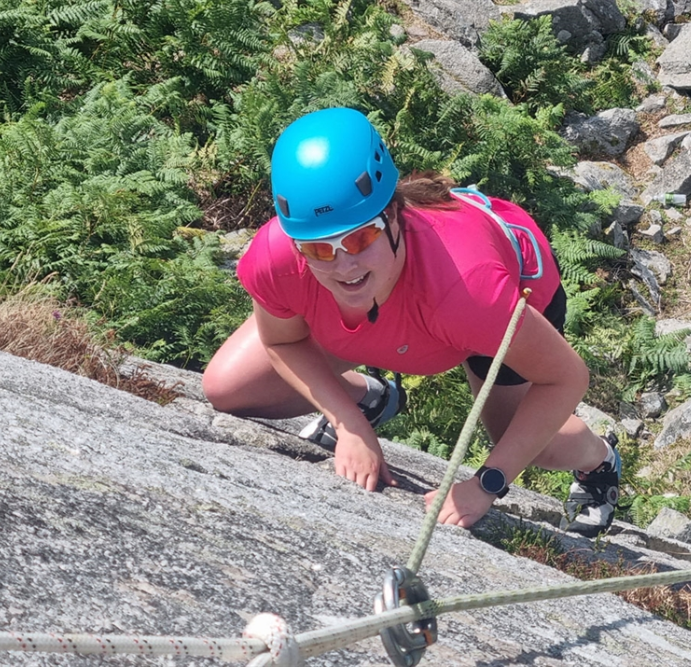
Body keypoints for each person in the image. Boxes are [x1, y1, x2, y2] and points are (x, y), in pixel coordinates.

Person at [202, 107, 620, 536]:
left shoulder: (471, 292)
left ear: (395, 216)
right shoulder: (278, 258)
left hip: (499, 292)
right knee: (228, 388)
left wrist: (487, 483)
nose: (345, 265)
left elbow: (566, 378)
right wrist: (350, 422)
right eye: (319, 250)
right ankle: (371, 398)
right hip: (407, 318)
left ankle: (598, 459)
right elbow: (282, 343)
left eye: (360, 237)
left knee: (532, 443)